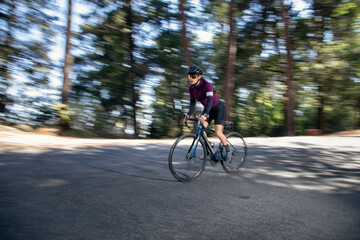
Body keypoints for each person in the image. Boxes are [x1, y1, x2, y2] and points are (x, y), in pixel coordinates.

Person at [183, 64, 232, 162]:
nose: (191, 79)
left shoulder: (207, 85)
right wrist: (188, 114)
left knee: (218, 132)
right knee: (201, 129)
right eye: (189, 76)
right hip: (208, 109)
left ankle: (228, 149)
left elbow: (209, 102)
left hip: (218, 108)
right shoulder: (191, 88)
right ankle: (208, 149)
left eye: (193, 76)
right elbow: (192, 103)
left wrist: (205, 115)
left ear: (199, 77)